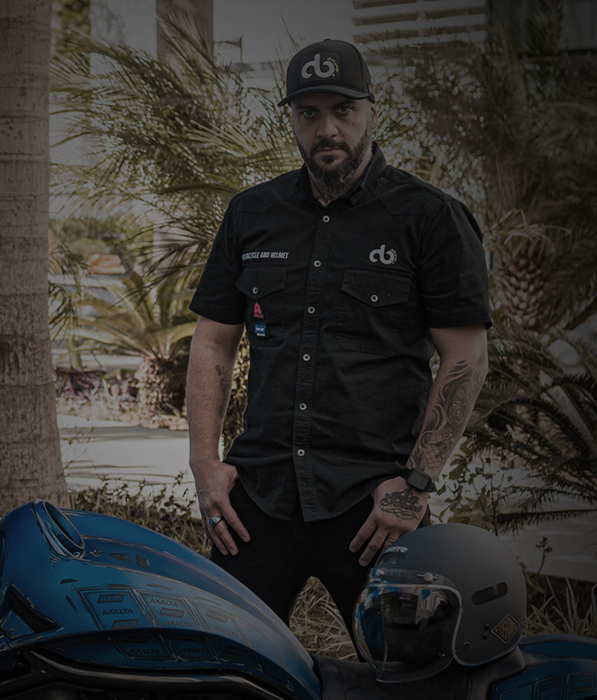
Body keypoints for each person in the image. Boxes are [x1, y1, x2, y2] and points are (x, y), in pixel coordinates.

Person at [184, 39, 491, 623]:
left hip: (374, 506)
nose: (327, 128)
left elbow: (466, 360)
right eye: (309, 113)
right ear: (294, 121)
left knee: (411, 676)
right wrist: (205, 462)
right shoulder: (251, 213)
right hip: (259, 498)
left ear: (372, 111)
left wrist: (415, 487)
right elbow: (214, 340)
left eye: (342, 109)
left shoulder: (430, 218)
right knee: (223, 665)